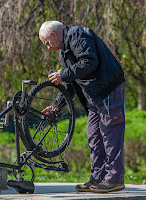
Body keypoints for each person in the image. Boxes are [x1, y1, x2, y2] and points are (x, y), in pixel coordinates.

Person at [39, 20, 126, 193]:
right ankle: (98, 179)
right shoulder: (64, 51)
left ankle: (114, 179)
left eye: (47, 43)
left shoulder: (78, 35)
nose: (48, 48)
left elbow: (89, 62)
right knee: (94, 136)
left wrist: (63, 74)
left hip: (108, 90)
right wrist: (56, 106)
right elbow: (70, 82)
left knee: (110, 134)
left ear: (54, 35)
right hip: (93, 98)